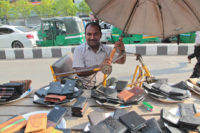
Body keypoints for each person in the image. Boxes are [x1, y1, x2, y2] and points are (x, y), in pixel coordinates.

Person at [73, 22, 126, 88]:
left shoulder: (108, 49)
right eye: (89, 34)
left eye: (95, 34)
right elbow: (79, 72)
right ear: (85, 35)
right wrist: (99, 67)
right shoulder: (79, 50)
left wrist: (122, 50)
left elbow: (121, 61)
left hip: (102, 86)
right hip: (85, 87)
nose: (92, 37)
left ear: (100, 35)